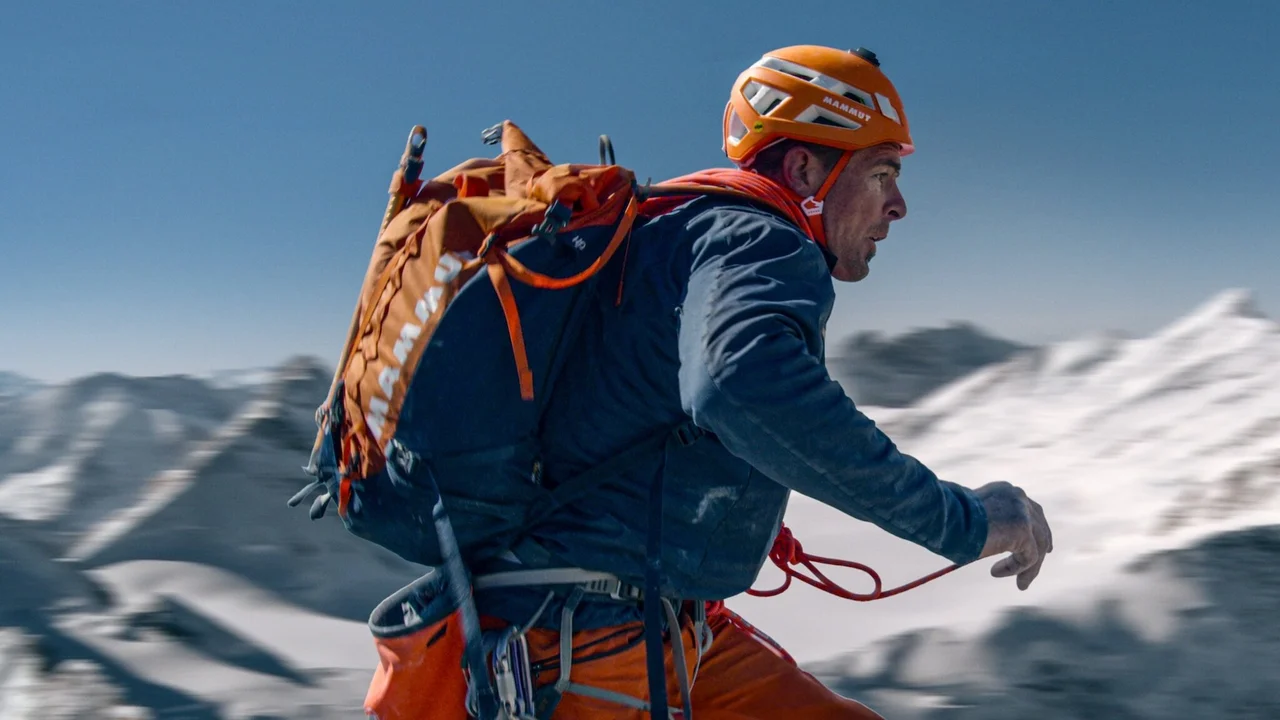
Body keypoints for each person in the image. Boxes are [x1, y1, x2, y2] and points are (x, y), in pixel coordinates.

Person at [461, 44, 1053, 720]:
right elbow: (739, 384)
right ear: (804, 168)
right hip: (593, 648)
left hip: (617, 627)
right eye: (882, 172)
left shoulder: (676, 231)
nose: (899, 206)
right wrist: (965, 521)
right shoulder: (763, 240)